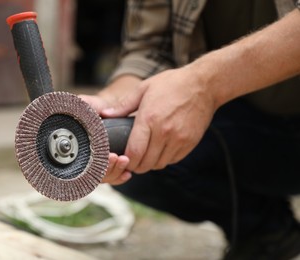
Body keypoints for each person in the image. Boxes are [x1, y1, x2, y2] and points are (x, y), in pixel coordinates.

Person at [80, 0, 300, 259]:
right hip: (252, 125)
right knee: (139, 148)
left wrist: (205, 83)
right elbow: (150, 51)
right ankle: (267, 232)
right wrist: (111, 110)